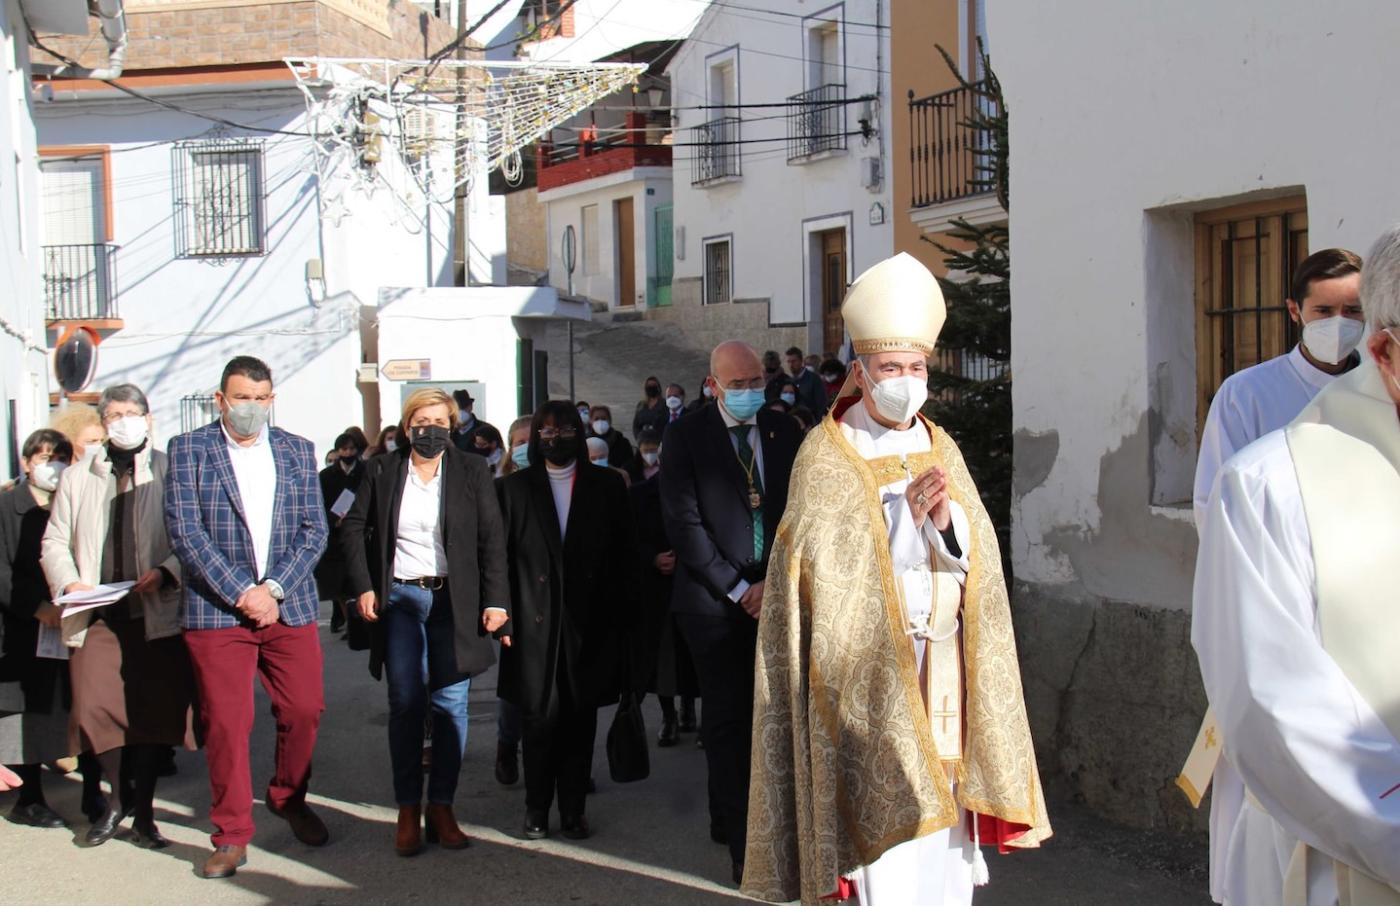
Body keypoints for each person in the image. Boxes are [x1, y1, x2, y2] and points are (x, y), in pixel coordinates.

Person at [743, 253, 1050, 904]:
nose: (905, 382)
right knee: (885, 853)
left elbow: (977, 558)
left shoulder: (941, 444)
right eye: (890, 368)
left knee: (943, 843)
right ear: (860, 371)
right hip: (870, 677)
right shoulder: (828, 453)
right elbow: (822, 574)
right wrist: (901, 524)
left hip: (943, 668)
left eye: (916, 368)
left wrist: (944, 524)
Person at [1191, 225, 1400, 906]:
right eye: (1324, 310)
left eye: (1350, 309)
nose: (1336, 324)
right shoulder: (1266, 482)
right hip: (1342, 853)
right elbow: (1283, 706)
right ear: (1387, 352)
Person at [165, 356, 330, 879]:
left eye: (260, 399)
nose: (250, 408)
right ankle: (232, 833)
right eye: (241, 398)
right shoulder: (189, 449)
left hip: (288, 603)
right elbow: (186, 533)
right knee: (227, 723)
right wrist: (243, 592)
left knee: (304, 707)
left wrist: (274, 588)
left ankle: (288, 796)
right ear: (221, 399)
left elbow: (315, 531)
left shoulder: (297, 450)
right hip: (218, 611)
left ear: (271, 400)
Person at [341, 388, 510, 856]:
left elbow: (492, 537)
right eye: (421, 422)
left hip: (454, 601)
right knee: (406, 702)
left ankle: (442, 806)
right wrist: (364, 586)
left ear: (452, 427)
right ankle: (407, 808)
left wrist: (497, 601)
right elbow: (352, 527)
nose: (430, 430)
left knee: (451, 705)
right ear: (407, 426)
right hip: (400, 598)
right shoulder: (382, 469)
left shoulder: (472, 470)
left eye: (439, 422)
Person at [659, 340, 803, 885]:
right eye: (737, 385)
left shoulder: (784, 429)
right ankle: (743, 843)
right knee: (729, 721)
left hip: (775, 593)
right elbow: (684, 523)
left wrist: (773, 582)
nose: (748, 392)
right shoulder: (686, 435)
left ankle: (762, 822)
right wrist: (738, 587)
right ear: (713, 385)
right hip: (714, 604)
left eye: (755, 382)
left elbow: (800, 509)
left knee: (775, 719)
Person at [40, 384, 197, 849]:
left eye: (132, 412)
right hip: (96, 614)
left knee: (149, 715)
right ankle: (116, 797)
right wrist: (70, 583)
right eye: (114, 414)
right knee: (94, 709)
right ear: (104, 422)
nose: (124, 421)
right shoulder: (78, 476)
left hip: (153, 611)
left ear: (148, 418)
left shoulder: (170, 469)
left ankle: (143, 813)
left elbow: (191, 537)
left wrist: (166, 571)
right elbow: (54, 541)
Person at [496, 400, 639, 841]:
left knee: (579, 718)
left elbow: (625, 554)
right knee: (538, 717)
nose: (554, 438)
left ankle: (574, 809)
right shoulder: (513, 488)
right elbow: (498, 559)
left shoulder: (607, 486)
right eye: (545, 431)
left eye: (563, 431)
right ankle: (536, 807)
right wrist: (501, 615)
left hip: (587, 619)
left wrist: (625, 620)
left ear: (579, 434)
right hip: (530, 620)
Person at [1, 430, 79, 828]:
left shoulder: (70, 503)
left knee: (64, 706)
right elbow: (1, 570)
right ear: (27, 462)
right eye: (45, 457)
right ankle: (28, 797)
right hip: (19, 625)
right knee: (23, 713)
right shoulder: (6, 507)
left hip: (65, 621)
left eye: (61, 457)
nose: (53, 466)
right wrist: (35, 608)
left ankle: (87, 789)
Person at [629, 436, 699, 747]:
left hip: (695, 583)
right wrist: (653, 559)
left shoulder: (699, 489)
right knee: (664, 658)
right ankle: (668, 716)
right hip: (656, 589)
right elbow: (629, 540)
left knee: (694, 655)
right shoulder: (639, 495)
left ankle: (691, 710)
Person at [494, 416, 533, 786]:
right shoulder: (501, 489)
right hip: (517, 602)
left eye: (529, 440)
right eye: (518, 442)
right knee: (515, 687)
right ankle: (507, 744)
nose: (524, 447)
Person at [316, 433, 366, 636]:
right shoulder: (326, 476)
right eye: (344, 449)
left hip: (360, 533)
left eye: (352, 449)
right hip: (335, 537)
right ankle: (348, 621)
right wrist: (333, 520)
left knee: (357, 581)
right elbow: (320, 505)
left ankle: (359, 623)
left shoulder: (365, 471)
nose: (348, 453)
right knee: (339, 585)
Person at [588, 405, 635, 472]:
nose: (600, 422)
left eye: (604, 419)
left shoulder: (622, 442)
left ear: (610, 421)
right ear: (591, 421)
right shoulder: (585, 443)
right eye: (596, 419)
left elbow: (629, 464)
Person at [451, 390, 496, 455]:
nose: (460, 412)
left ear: (470, 406)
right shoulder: (447, 433)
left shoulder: (488, 430)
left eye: (464, 407)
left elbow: (498, 456)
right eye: (457, 408)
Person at [783, 346, 827, 413]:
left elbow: (821, 404)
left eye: (794, 361)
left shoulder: (814, 379)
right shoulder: (788, 381)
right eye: (788, 362)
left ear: (801, 361)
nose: (791, 365)